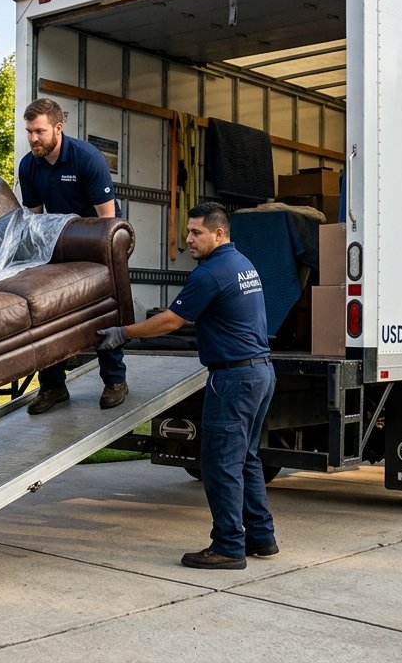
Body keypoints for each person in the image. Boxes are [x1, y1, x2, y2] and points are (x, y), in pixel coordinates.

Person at [96, 201, 277, 570]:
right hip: (260, 373)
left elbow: (171, 322)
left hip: (233, 379)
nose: (188, 239)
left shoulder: (210, 273)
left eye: (197, 233)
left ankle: (228, 546)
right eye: (188, 231)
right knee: (247, 459)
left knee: (221, 465)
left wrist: (123, 333)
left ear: (219, 233)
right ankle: (261, 537)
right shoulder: (243, 265)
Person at [17, 97, 128, 414]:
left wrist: (104, 268)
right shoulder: (29, 165)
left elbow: (108, 220)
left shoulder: (86, 158)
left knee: (103, 310)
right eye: (29, 131)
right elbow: (35, 219)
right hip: (59, 242)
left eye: (39, 131)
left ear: (58, 128)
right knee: (47, 310)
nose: (33, 138)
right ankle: (53, 387)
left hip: (99, 239)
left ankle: (115, 381)